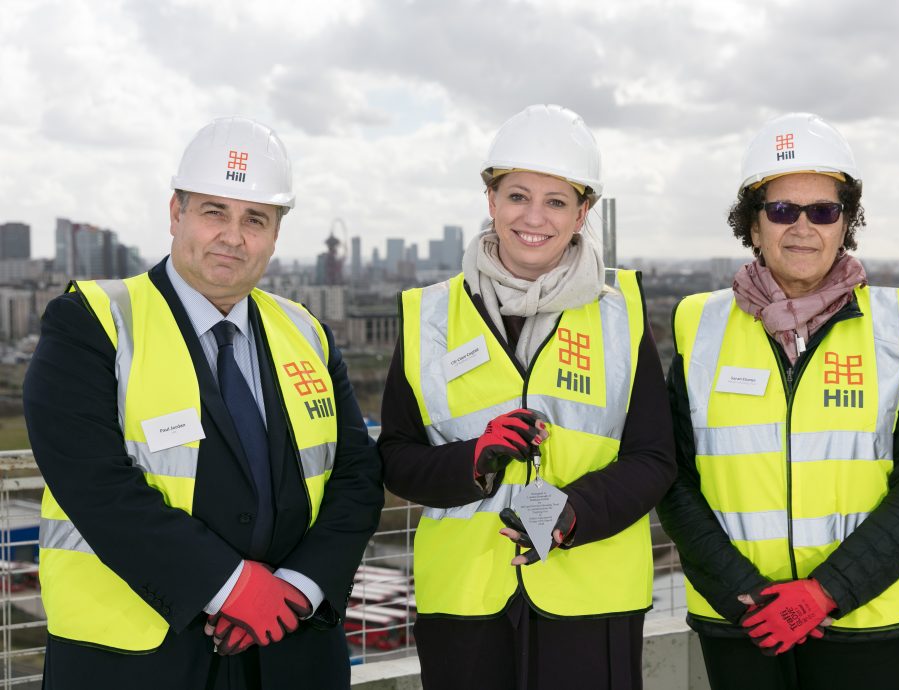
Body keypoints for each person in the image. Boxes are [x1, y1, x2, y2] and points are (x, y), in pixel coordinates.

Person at [23, 116, 384, 689]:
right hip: (136, 661)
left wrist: (299, 587)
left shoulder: (306, 332)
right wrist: (232, 586)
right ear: (176, 213)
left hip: (290, 653)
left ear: (274, 235)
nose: (233, 237)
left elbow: (357, 476)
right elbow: (93, 483)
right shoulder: (94, 321)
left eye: (255, 220)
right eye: (214, 211)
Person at [378, 104, 676, 690]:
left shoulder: (622, 312)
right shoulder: (429, 316)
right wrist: (469, 462)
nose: (533, 217)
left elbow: (654, 458)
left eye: (556, 201)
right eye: (517, 196)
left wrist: (573, 513)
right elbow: (396, 455)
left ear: (582, 213)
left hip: (590, 600)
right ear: (491, 201)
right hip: (465, 603)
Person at [656, 112, 899, 690]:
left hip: (863, 619)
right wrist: (744, 596)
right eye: (782, 210)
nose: (802, 227)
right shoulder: (701, 324)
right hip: (742, 619)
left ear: (846, 223)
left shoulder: (898, 325)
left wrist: (826, 592)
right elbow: (674, 475)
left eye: (823, 210)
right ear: (753, 224)